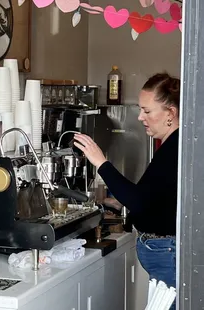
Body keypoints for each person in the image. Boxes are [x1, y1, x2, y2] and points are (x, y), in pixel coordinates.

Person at [74, 73, 180, 309]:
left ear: (171, 114)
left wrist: (101, 162)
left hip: (167, 255)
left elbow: (140, 201)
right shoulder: (172, 145)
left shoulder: (175, 148)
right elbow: (154, 198)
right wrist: (118, 203)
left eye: (147, 111)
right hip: (165, 254)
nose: (141, 116)